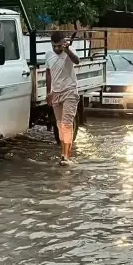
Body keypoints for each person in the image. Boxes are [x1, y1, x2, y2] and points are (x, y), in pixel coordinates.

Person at [46, 32, 81, 165]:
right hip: (56, 92)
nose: (57, 49)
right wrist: (49, 92)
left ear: (64, 43)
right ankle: (63, 152)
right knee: (59, 124)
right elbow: (48, 73)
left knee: (67, 124)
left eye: (59, 46)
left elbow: (77, 61)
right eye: (54, 46)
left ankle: (66, 156)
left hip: (70, 91)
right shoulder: (48, 54)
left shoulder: (69, 51)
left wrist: (67, 50)